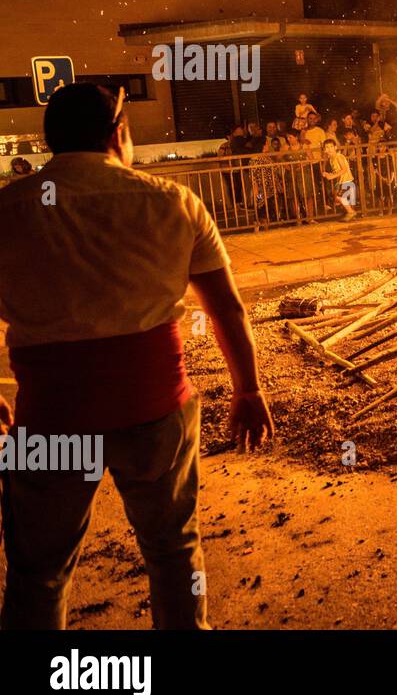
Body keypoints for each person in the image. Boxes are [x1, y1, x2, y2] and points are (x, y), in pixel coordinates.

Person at [0, 84, 272, 629]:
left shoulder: (9, 208)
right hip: (153, 406)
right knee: (172, 550)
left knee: (40, 570)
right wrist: (248, 390)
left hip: (53, 417)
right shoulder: (172, 202)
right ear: (117, 133)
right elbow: (227, 309)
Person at [321, 138, 358, 220]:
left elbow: (344, 169)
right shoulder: (331, 159)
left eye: (331, 146)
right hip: (342, 181)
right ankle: (351, 213)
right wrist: (329, 174)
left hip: (346, 180)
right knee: (338, 198)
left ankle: (351, 212)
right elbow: (337, 171)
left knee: (338, 197)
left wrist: (332, 176)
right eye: (327, 147)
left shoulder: (338, 157)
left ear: (335, 147)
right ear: (325, 150)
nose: (329, 149)